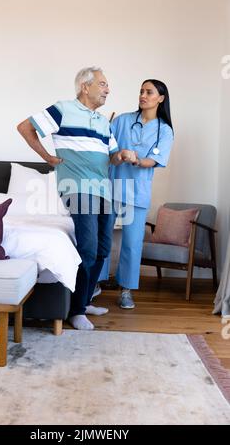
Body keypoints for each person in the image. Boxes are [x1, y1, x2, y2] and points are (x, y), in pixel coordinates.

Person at [17, 67, 122, 330]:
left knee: (102, 249)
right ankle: (75, 311)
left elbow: (113, 155)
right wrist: (47, 157)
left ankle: (83, 302)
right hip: (77, 187)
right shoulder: (63, 109)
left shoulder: (103, 122)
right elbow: (25, 127)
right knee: (87, 247)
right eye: (103, 84)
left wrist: (125, 155)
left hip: (103, 190)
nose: (108, 89)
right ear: (85, 87)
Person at [98, 79, 174, 309]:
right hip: (111, 187)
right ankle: (95, 283)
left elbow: (155, 160)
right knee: (103, 238)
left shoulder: (165, 130)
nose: (143, 95)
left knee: (132, 243)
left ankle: (126, 290)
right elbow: (104, 147)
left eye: (148, 92)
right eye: (141, 91)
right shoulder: (122, 120)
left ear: (160, 98)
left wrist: (137, 159)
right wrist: (117, 154)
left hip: (137, 192)